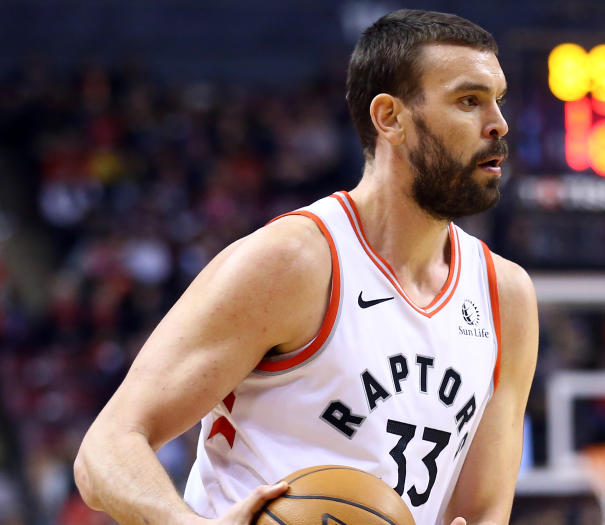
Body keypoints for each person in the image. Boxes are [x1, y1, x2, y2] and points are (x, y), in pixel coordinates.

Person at [73, 9, 538, 525]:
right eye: (468, 101)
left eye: (498, 100)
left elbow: (482, 511)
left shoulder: (506, 297)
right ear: (390, 118)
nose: (498, 123)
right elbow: (106, 449)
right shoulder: (293, 263)